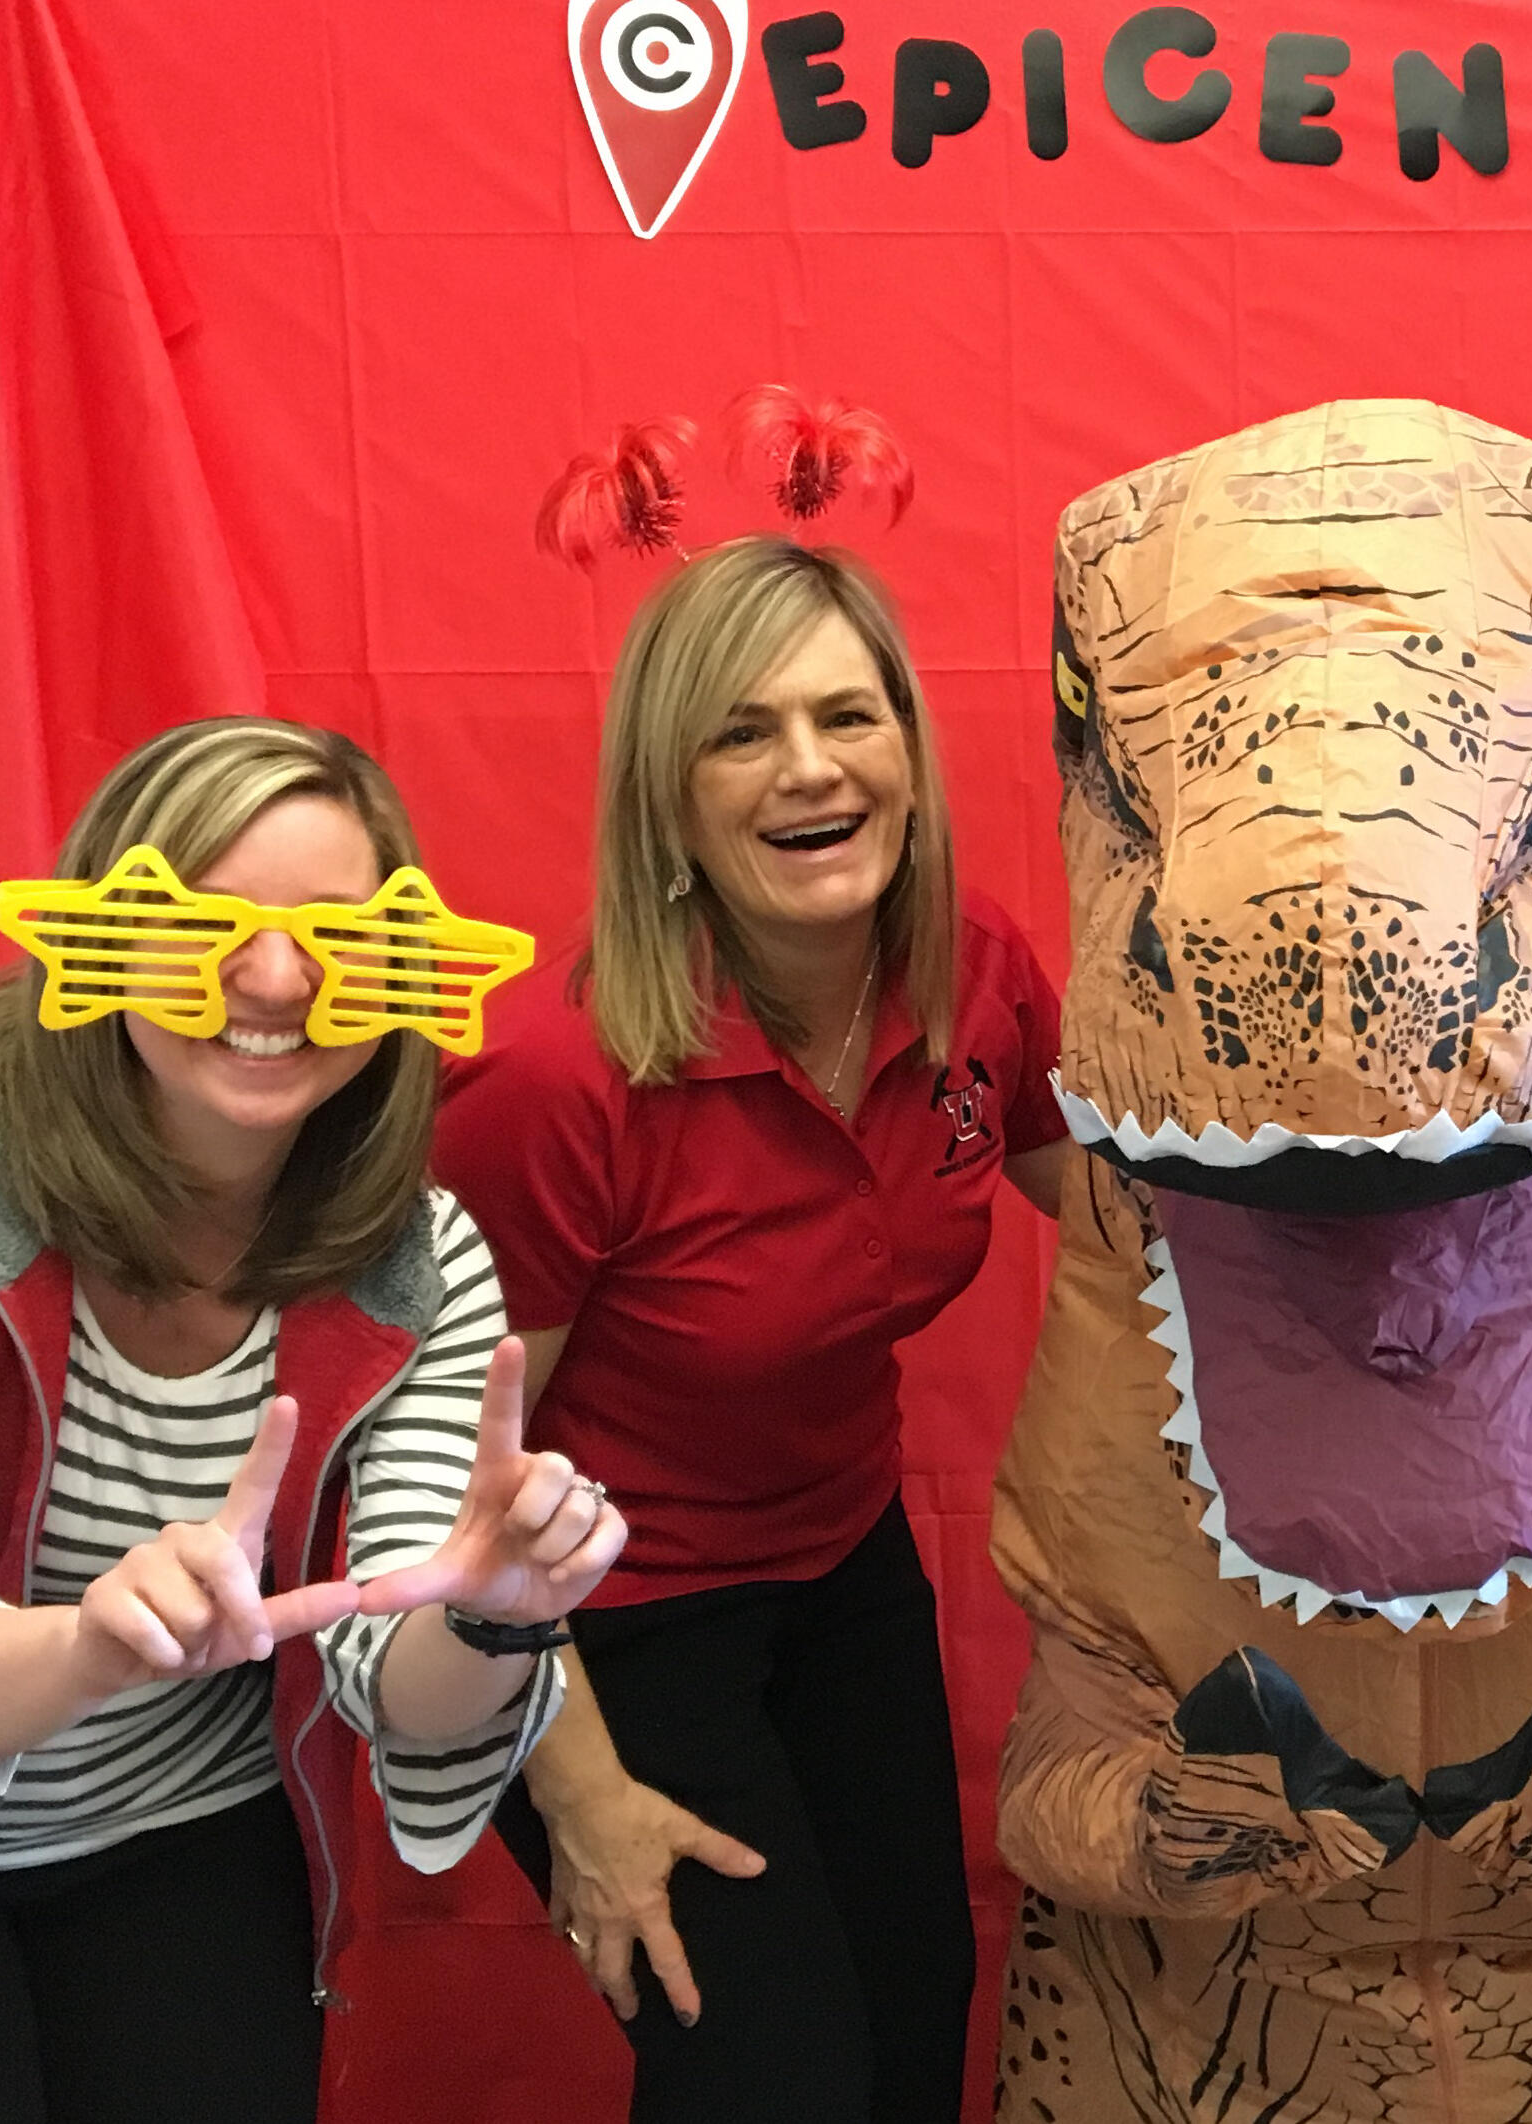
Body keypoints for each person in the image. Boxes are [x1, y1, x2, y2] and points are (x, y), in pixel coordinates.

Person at [0, 716, 618, 2122]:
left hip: (176, 1830)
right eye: (198, 925)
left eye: (341, 939)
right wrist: (93, 1641)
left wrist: (497, 1610)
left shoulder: (414, 1260)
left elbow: (399, 1674)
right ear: (94, 932)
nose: (274, 980)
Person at [437, 534, 1069, 2124]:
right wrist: (577, 1796)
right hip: (601, 1620)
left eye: (849, 717)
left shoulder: (975, 976)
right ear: (671, 796)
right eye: (742, 730)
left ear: (911, 755)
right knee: (778, 2088)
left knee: (918, 2038)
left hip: (839, 1571)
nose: (810, 767)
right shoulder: (558, 1087)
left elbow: (1127, 1211)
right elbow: (447, 1489)